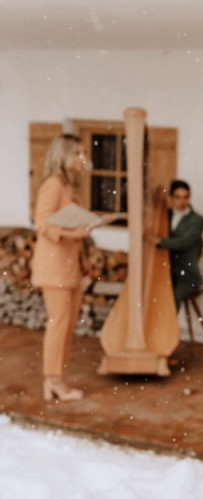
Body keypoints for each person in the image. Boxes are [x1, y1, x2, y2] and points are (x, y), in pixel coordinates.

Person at [31, 134, 92, 401]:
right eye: (77, 153)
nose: (83, 158)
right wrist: (72, 234)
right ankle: (54, 380)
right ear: (63, 155)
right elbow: (41, 223)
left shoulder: (71, 186)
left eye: (83, 153)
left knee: (67, 324)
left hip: (70, 264)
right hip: (54, 265)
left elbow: (72, 227)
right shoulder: (53, 184)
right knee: (59, 323)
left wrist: (83, 258)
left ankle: (55, 380)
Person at [156, 179, 203, 309]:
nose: (182, 202)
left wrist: (159, 241)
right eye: (177, 197)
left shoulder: (198, 220)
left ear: (190, 197)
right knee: (155, 293)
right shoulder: (164, 216)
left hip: (187, 276)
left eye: (185, 197)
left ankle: (169, 322)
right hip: (166, 272)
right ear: (171, 198)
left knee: (172, 296)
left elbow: (183, 242)